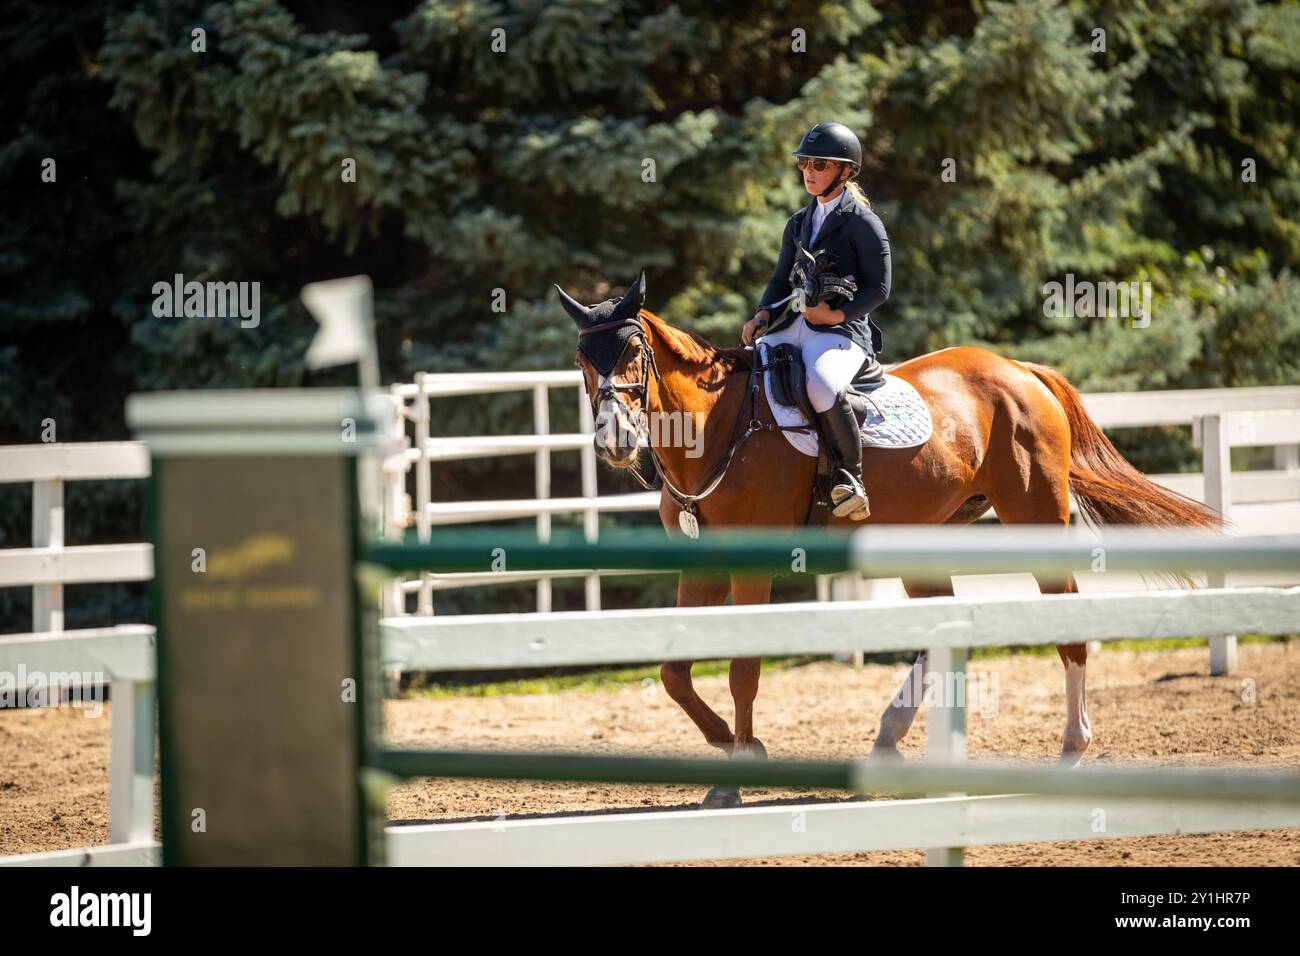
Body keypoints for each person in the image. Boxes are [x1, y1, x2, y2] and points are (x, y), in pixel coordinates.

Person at [741, 121, 891, 519]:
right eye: (805, 163)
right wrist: (762, 313)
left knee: (822, 385)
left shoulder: (863, 223)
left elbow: (880, 289)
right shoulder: (798, 223)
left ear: (845, 171)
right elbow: (779, 279)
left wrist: (836, 313)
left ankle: (851, 478)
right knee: (751, 363)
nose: (809, 171)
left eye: (819, 164)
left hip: (844, 332)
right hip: (796, 324)